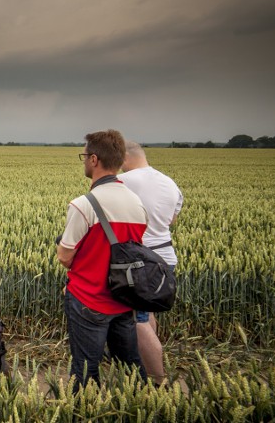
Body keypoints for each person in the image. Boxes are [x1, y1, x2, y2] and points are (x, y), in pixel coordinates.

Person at [57, 130, 148, 391]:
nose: (84, 160)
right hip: (123, 298)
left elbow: (65, 257)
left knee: (85, 366)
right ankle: (141, 403)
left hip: (89, 299)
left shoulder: (83, 205)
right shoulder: (137, 203)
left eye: (84, 156)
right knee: (130, 362)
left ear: (94, 159)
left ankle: (82, 412)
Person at [119, 141, 183, 385]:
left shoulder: (127, 181)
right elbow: (172, 220)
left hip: (142, 259)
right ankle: (147, 365)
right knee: (147, 312)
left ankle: (157, 380)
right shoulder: (170, 183)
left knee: (138, 320)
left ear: (124, 157)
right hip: (165, 257)